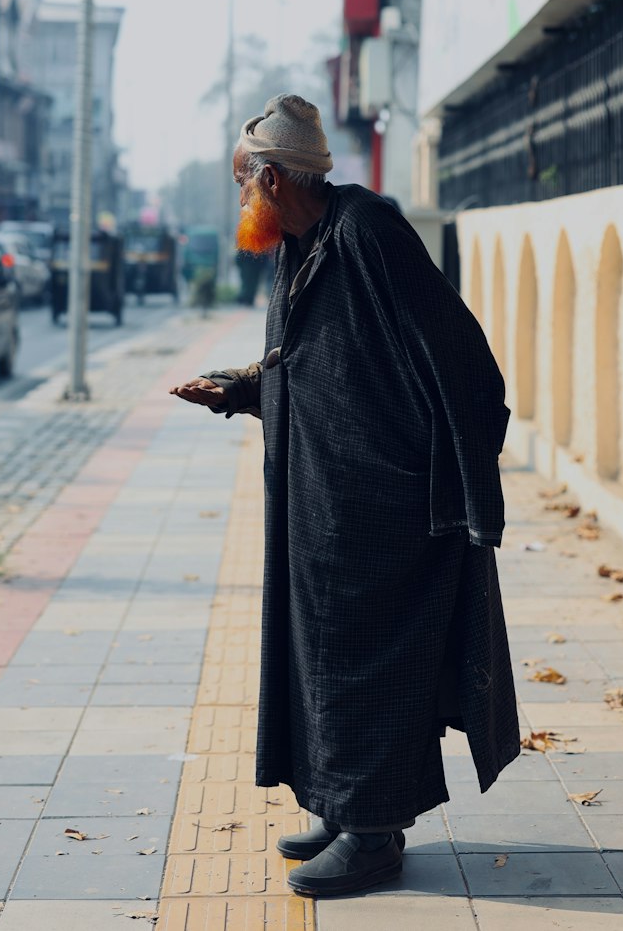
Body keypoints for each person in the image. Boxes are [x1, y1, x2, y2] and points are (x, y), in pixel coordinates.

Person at [170, 94, 519, 899]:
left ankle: (373, 834)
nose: (241, 202)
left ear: (269, 177)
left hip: (380, 504)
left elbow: (459, 357)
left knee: (365, 661)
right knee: (316, 654)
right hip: (317, 499)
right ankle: (337, 802)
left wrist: (454, 481)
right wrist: (235, 389)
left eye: (242, 184)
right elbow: (316, 364)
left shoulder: (365, 230)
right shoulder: (303, 242)